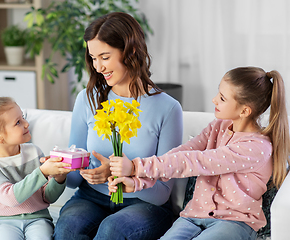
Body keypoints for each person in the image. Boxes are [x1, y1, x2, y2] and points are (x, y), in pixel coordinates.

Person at [108, 66, 290, 240]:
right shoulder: (218, 127)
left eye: (223, 98)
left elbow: (196, 161)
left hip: (235, 222)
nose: (214, 100)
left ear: (245, 110)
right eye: (218, 92)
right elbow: (182, 153)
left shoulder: (257, 147)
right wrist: (138, 181)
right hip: (193, 215)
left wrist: (135, 166)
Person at [54, 12, 183, 240]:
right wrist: (60, 171)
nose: (98, 67)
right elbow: (74, 181)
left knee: (112, 229)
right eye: (93, 58)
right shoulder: (88, 99)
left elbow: (162, 192)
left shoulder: (168, 108)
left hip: (144, 203)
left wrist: (123, 175)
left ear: (130, 51)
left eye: (105, 56)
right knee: (68, 229)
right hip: (90, 197)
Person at [0, 97, 74, 240]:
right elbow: (10, 198)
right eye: (18, 122)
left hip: (38, 219)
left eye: (23, 117)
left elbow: (48, 197)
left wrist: (59, 177)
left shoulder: (34, 152)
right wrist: (43, 172)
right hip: (3, 222)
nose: (27, 124)